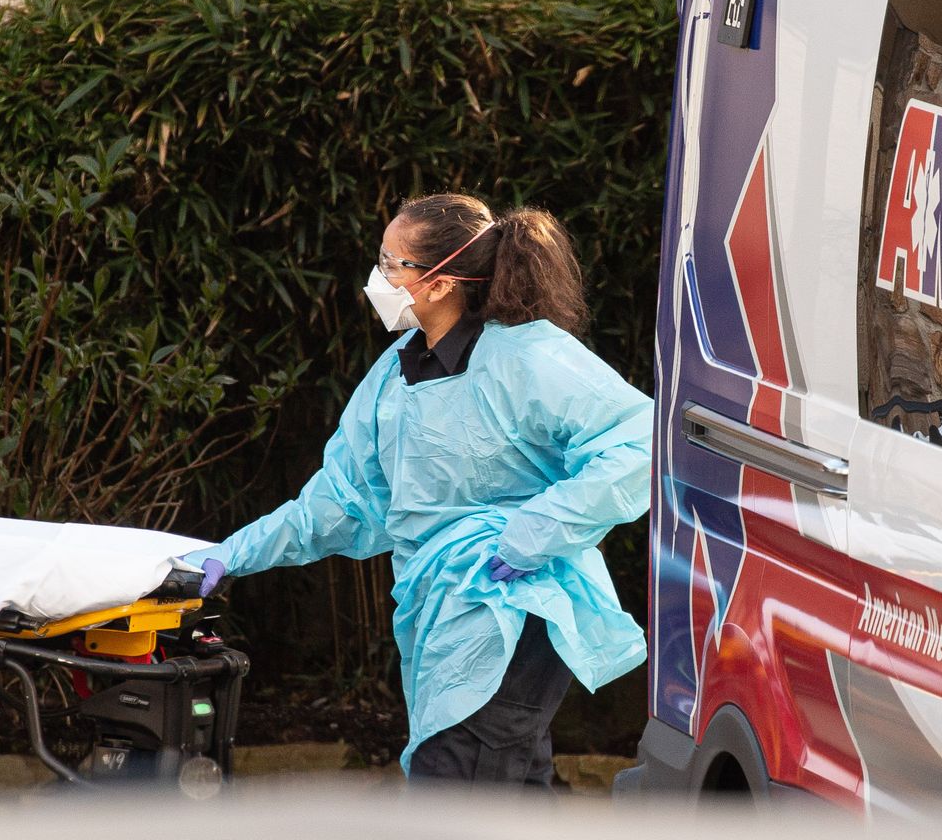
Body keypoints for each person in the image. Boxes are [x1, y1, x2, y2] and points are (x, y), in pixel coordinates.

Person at [186, 194, 650, 786]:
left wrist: (529, 536)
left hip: (513, 610)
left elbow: (638, 441)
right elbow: (341, 501)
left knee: (454, 789)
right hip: (440, 608)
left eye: (391, 263)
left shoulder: (526, 357)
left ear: (440, 283)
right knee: (502, 790)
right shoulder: (395, 374)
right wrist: (232, 555)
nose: (377, 278)